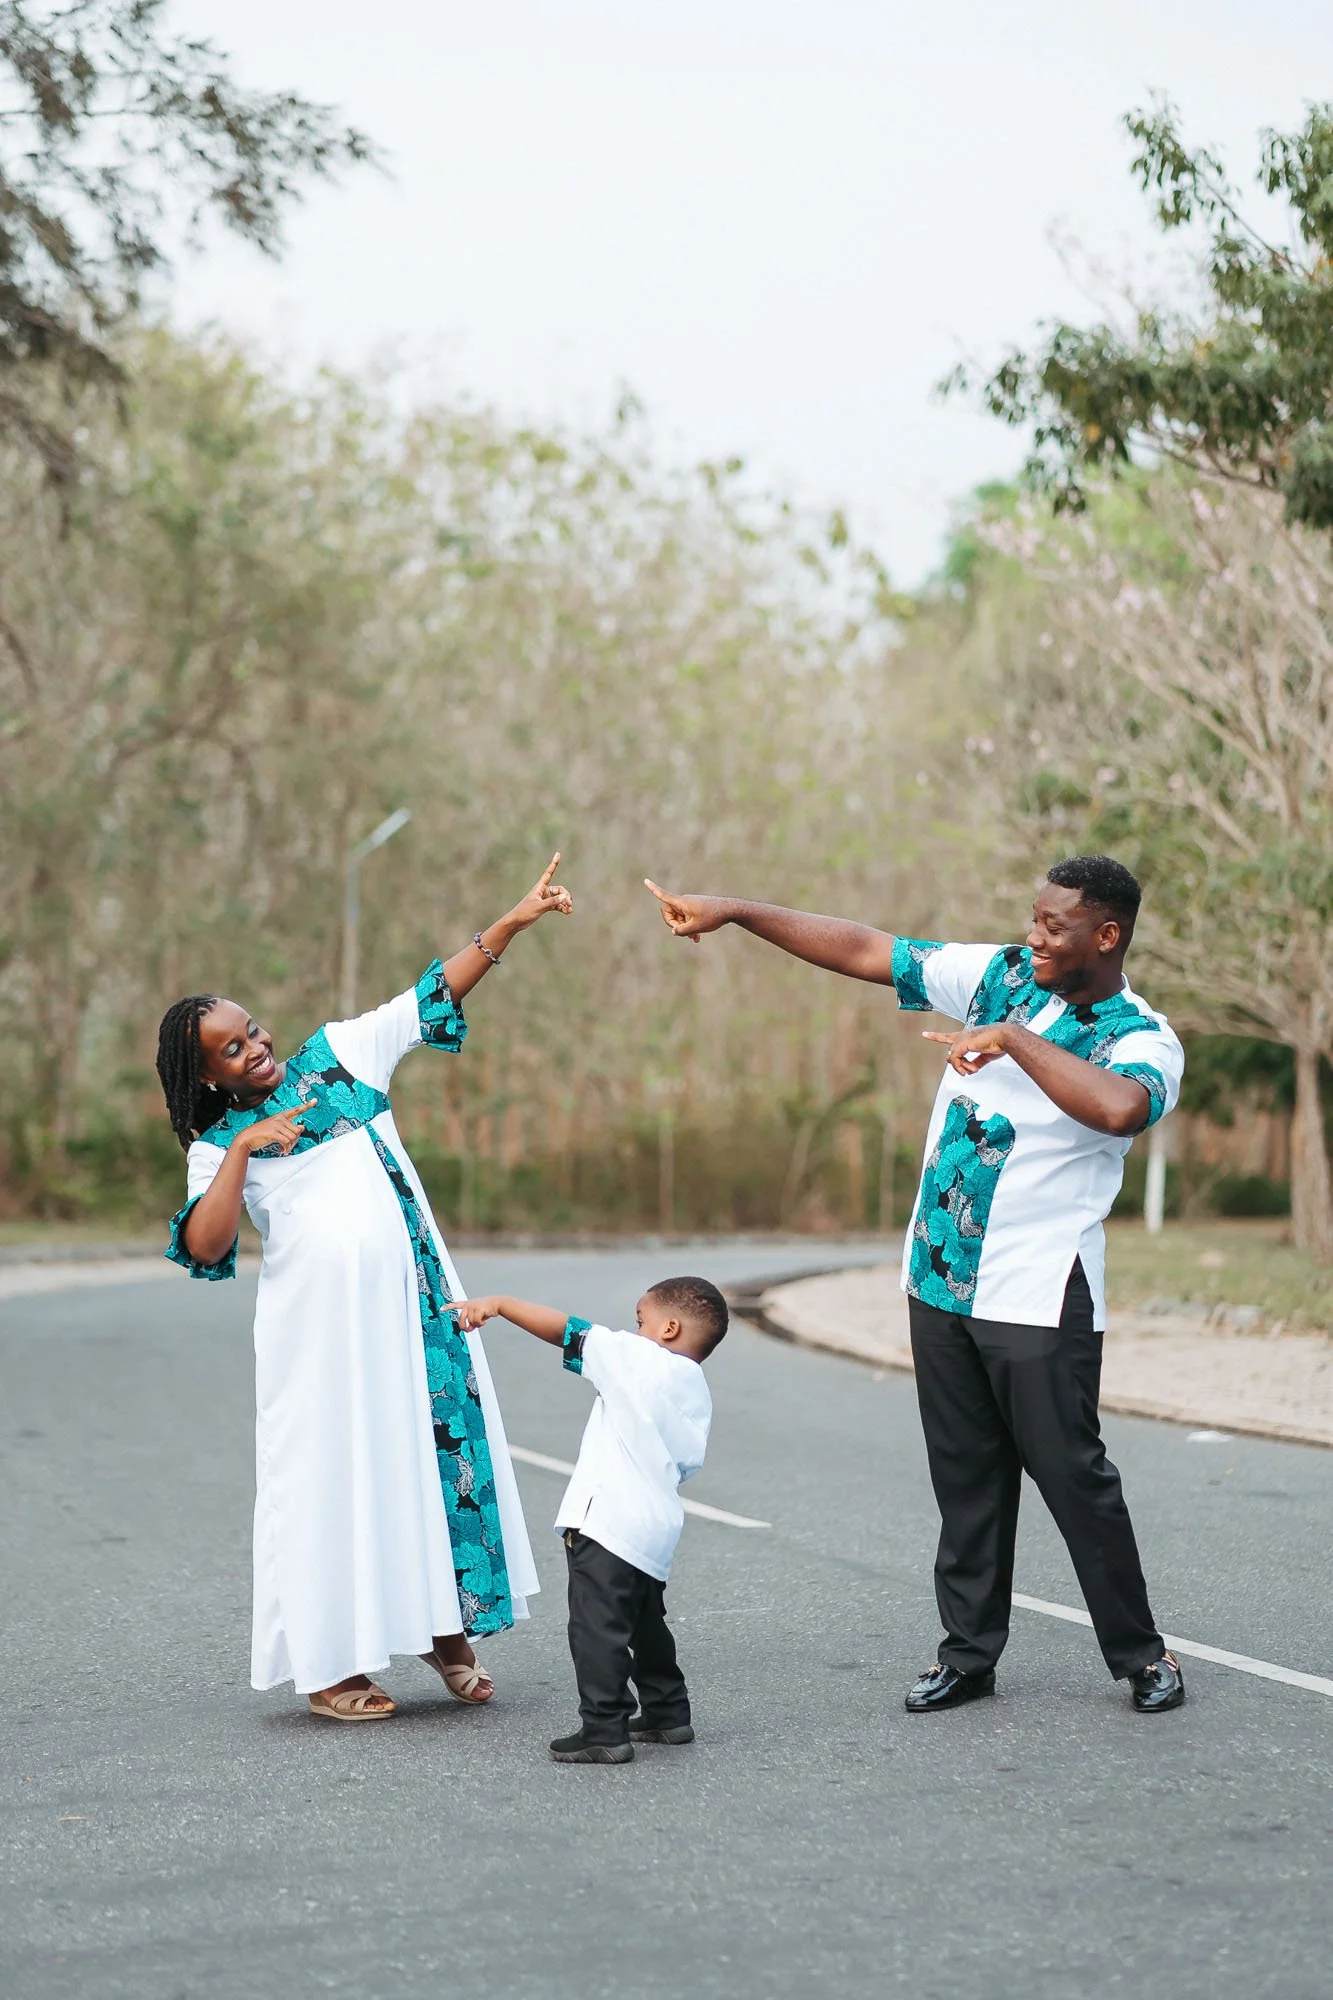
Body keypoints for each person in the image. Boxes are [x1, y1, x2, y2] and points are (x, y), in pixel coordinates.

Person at [644, 856, 1186, 1716]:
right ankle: (967, 1655)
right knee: (966, 1480)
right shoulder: (998, 973)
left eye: (1054, 926)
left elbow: (1121, 1109)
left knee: (1072, 1479)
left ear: (1106, 934)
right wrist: (737, 909)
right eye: (1033, 919)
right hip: (938, 1281)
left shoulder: (1139, 1034)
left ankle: (1140, 1655)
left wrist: (1011, 1039)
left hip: (1036, 1294)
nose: (1034, 936)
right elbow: (868, 949)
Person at [156, 854, 573, 1722]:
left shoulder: (342, 1056)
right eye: (231, 1050)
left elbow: (434, 993)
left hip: (416, 1316)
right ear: (208, 1076)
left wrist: (511, 922)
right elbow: (206, 1242)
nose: (255, 1048)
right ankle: (326, 1663)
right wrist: (239, 1152)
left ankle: (440, 1629)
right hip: (323, 1349)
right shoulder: (219, 1144)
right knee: (335, 1482)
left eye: (254, 1030)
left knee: (423, 1462)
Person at [451, 1275, 727, 1763]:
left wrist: (500, 1303)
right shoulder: (695, 1390)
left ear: (669, 1328)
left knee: (596, 1627)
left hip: (609, 1522)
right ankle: (668, 1711)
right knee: (645, 1623)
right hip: (655, 1526)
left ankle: (604, 1728)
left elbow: (569, 1331)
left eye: (640, 1321)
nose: (634, 1330)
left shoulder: (637, 1358)